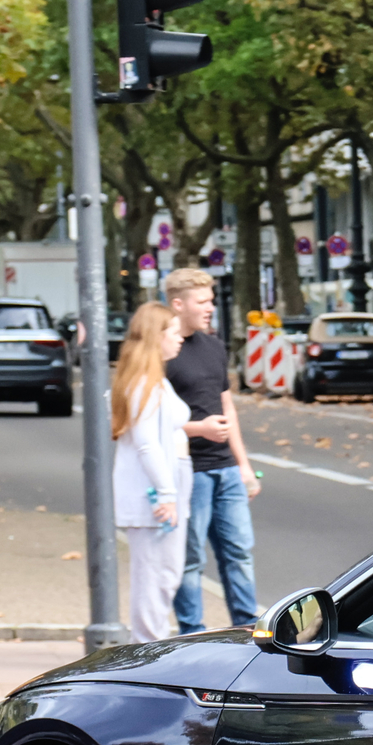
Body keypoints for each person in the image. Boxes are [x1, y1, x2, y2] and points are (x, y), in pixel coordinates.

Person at [161, 268, 261, 633]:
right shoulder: (163, 351)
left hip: (226, 469)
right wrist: (198, 429)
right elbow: (148, 419)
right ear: (178, 303)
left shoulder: (214, 347)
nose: (210, 308)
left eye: (211, 300)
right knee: (189, 559)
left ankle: (247, 631)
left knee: (239, 552)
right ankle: (192, 631)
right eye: (202, 301)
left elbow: (227, 408)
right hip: (189, 469)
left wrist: (244, 465)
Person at [111, 303, 191, 641]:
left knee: (164, 575)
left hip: (165, 488)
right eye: (173, 332)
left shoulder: (152, 381)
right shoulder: (144, 384)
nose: (180, 339)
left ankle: (148, 645)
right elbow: (147, 444)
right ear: (156, 336)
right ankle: (145, 649)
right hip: (154, 494)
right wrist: (167, 493)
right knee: (156, 576)